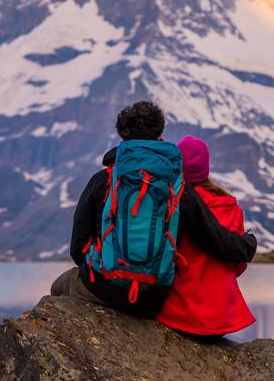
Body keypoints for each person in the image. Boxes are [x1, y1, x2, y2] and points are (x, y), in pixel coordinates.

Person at [52, 101, 257, 317]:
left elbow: (78, 247)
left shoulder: (103, 179)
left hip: (101, 287)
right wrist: (248, 245)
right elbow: (215, 239)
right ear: (160, 135)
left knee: (59, 287)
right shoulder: (177, 185)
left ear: (123, 137)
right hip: (152, 300)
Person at [156, 135, 256, 337]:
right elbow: (238, 266)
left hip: (178, 315)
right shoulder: (229, 206)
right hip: (220, 318)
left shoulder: (172, 203)